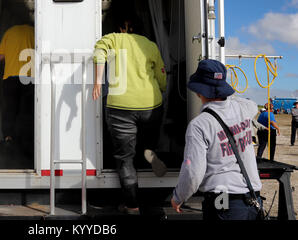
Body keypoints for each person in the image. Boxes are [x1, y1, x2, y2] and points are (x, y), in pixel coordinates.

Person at [171, 59, 263, 220]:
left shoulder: (199, 125)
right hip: (252, 198)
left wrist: (179, 197)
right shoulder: (244, 109)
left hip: (223, 202)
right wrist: (225, 91)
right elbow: (252, 104)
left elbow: (193, 172)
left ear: (199, 91)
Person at [92, 16, 167, 215]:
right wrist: (161, 87)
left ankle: (132, 205)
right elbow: (161, 77)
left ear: (121, 27)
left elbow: (99, 53)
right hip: (151, 104)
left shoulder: (113, 38)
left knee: (124, 158)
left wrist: (98, 82)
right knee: (146, 142)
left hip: (121, 106)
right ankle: (149, 152)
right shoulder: (150, 45)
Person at [0, 22, 35, 157]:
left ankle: (8, 137)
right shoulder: (35, 32)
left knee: (10, 108)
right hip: (29, 77)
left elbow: (1, 56)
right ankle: (26, 140)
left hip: (10, 77)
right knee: (27, 110)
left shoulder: (9, 31)